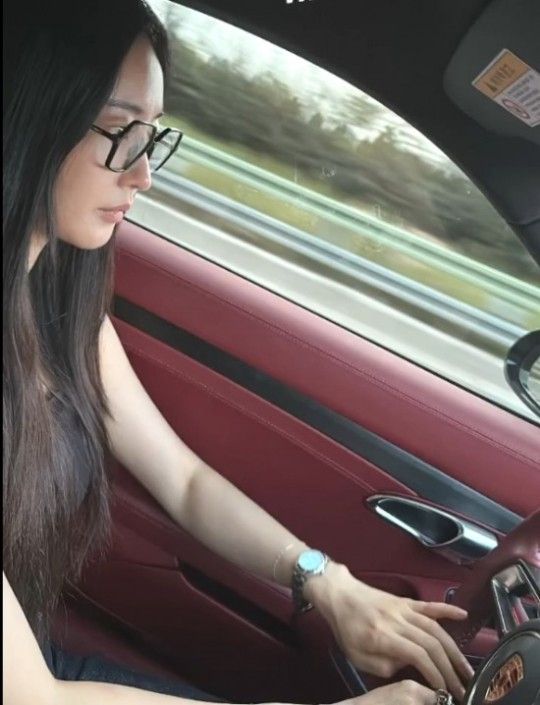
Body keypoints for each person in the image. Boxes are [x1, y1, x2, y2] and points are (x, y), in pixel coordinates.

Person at [2, 1, 475, 703]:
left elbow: (183, 479)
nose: (144, 173)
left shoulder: (58, 300)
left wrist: (327, 581)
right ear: (28, 112)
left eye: (152, 136)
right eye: (120, 131)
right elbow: (35, 698)